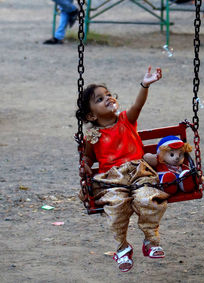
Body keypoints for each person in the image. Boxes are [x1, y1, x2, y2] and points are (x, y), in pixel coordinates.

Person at [76, 66, 170, 272]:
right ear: (91, 116)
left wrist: (145, 84)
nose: (107, 98)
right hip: (112, 180)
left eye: (108, 95)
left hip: (138, 173)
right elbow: (89, 158)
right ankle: (122, 247)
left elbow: (138, 104)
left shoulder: (127, 120)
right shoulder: (93, 136)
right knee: (116, 205)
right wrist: (84, 164)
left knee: (149, 198)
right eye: (100, 99)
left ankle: (150, 240)